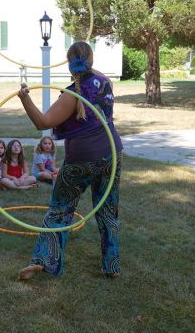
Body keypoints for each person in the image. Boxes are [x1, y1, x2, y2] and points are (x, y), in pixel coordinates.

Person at [17, 41, 123, 280]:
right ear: (91, 59)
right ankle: (112, 266)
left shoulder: (72, 93)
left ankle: (45, 262)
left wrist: (25, 99)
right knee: (108, 210)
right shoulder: (105, 80)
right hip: (112, 154)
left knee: (60, 210)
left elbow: (43, 123)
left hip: (82, 160)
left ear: (69, 63)